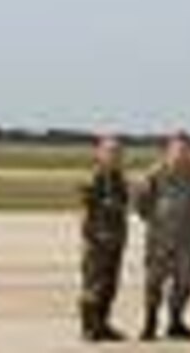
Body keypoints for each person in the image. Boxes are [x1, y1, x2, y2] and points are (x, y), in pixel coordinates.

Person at [136, 132, 190, 341]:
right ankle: (150, 323)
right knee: (154, 282)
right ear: (169, 150)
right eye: (178, 150)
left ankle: (176, 321)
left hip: (186, 240)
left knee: (184, 283)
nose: (181, 154)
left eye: (186, 150)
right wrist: (157, 221)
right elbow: (141, 203)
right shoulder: (155, 173)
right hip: (160, 240)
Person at [79, 135, 131, 343]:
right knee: (93, 286)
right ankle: (89, 328)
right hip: (97, 243)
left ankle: (103, 324)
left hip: (116, 241)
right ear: (99, 154)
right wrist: (89, 239)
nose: (115, 156)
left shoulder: (119, 179)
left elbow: (122, 208)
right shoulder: (94, 178)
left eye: (118, 152)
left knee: (110, 286)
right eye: (110, 151)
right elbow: (84, 213)